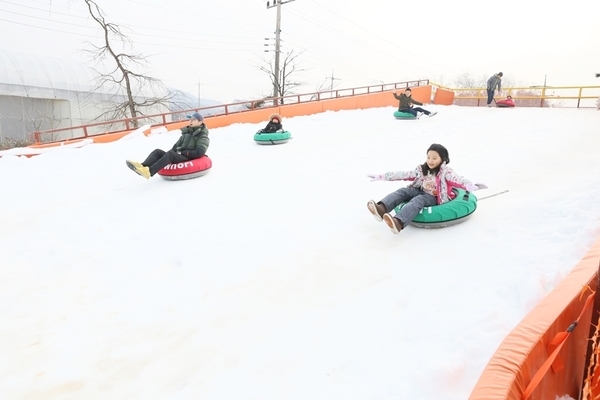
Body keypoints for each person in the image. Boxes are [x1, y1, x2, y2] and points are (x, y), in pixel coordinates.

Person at [366, 143, 487, 235]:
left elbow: (457, 179)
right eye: (428, 157)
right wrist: (383, 176)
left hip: (434, 197)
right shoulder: (422, 170)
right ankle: (381, 208)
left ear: (443, 159)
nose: (430, 161)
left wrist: (469, 185)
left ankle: (398, 222)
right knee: (403, 191)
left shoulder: (446, 172)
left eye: (434, 158)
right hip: (420, 190)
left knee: (419, 200)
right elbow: (404, 174)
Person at [126, 112, 210, 179]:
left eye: (193, 119)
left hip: (189, 158)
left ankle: (149, 172)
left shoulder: (202, 136)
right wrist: (167, 156)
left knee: (171, 154)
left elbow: (200, 152)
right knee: (157, 152)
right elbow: (175, 146)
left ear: (200, 122)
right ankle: (142, 166)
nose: (190, 121)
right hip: (180, 155)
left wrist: (184, 153)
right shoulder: (186, 134)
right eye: (190, 119)